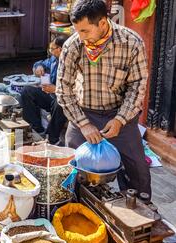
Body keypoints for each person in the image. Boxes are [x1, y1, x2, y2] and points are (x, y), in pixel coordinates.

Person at [56, 0, 151, 197]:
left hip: (120, 115)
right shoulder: (72, 45)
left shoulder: (131, 42)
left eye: (85, 31)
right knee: (73, 167)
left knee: (138, 172)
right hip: (84, 114)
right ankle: (76, 207)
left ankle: (141, 218)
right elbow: (63, 90)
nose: (81, 37)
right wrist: (83, 124)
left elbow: (137, 86)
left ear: (102, 23)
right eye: (77, 31)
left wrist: (120, 120)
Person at [20, 35, 68, 144]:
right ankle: (36, 129)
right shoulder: (53, 60)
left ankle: (52, 138)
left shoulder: (71, 62)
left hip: (64, 100)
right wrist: (38, 67)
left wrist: (56, 89)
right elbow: (40, 63)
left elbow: (76, 90)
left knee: (59, 102)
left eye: (52, 49)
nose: (50, 51)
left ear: (60, 49)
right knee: (27, 91)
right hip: (51, 96)